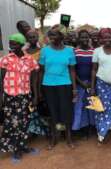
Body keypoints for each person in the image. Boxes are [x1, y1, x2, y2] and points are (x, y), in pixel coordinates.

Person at [0, 33, 39, 162]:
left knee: (25, 121)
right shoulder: (6, 59)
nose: (11, 46)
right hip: (10, 96)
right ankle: (15, 148)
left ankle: (23, 145)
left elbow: (34, 78)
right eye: (10, 43)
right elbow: (1, 78)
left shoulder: (29, 60)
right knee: (12, 123)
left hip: (24, 95)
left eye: (14, 43)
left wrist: (35, 95)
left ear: (22, 45)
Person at [40, 24, 77, 150]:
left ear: (62, 36)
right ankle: (54, 137)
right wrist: (40, 89)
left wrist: (74, 88)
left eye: (54, 34)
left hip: (65, 85)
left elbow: (72, 70)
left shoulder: (69, 50)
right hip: (48, 85)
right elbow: (41, 70)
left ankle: (68, 137)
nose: (51, 37)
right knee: (53, 112)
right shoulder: (45, 50)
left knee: (66, 112)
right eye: (50, 34)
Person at [25, 29, 48, 136]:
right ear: (27, 39)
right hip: (27, 81)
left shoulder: (43, 50)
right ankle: (31, 129)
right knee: (29, 104)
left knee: (41, 102)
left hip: (41, 80)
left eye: (34, 37)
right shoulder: (24, 52)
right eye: (30, 37)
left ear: (38, 38)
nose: (32, 39)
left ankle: (43, 128)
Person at [72, 30, 95, 138]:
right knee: (79, 107)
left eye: (86, 37)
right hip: (79, 83)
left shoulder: (94, 51)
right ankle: (80, 128)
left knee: (91, 106)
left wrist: (91, 82)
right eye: (82, 37)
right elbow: (73, 70)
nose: (85, 40)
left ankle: (91, 127)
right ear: (78, 39)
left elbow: (95, 68)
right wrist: (81, 83)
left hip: (91, 83)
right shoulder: (75, 51)